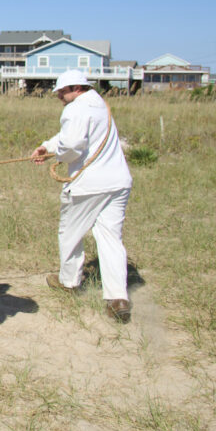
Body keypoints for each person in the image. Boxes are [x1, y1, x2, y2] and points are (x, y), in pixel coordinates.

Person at [30, 70, 134, 323]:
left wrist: (57, 155)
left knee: (70, 232)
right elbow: (71, 139)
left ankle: (68, 281)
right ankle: (117, 297)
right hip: (118, 182)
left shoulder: (75, 109)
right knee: (110, 238)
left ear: (77, 88)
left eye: (62, 92)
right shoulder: (101, 105)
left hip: (89, 184)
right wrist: (48, 146)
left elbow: (73, 145)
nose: (59, 96)